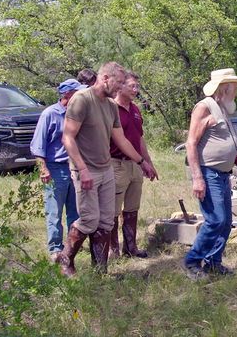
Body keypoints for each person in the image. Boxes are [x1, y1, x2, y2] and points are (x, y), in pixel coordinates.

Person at [57, 61, 157, 276]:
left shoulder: (111, 106)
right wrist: (82, 169)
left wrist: (142, 162)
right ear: (105, 79)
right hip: (86, 170)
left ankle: (100, 271)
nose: (121, 87)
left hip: (106, 170)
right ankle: (65, 259)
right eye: (118, 82)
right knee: (89, 219)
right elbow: (68, 137)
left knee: (105, 220)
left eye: (123, 83)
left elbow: (120, 139)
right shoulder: (82, 100)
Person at [183, 68, 237, 280]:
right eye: (235, 88)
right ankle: (192, 262)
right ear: (225, 87)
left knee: (226, 220)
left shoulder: (222, 108)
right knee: (215, 220)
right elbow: (191, 143)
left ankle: (213, 262)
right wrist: (197, 178)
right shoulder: (204, 107)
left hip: (221, 173)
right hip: (207, 172)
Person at [30, 79, 85, 262]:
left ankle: (73, 245)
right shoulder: (49, 114)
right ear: (68, 95)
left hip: (75, 167)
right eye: (78, 93)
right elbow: (38, 146)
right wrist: (43, 169)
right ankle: (55, 248)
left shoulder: (77, 114)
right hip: (56, 168)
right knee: (54, 211)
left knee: (75, 210)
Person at [109, 71, 157, 259]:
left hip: (136, 165)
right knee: (112, 210)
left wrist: (148, 163)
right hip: (116, 164)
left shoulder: (135, 109)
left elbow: (140, 138)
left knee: (132, 208)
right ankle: (113, 249)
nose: (136, 90)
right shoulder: (111, 108)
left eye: (137, 86)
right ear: (120, 86)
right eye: (132, 86)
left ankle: (131, 248)